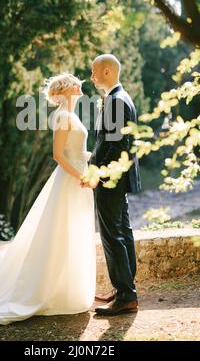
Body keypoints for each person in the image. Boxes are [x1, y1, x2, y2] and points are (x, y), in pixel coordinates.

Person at [0, 73, 96, 325]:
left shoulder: (72, 115)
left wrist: (87, 165)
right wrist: (81, 175)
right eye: (76, 83)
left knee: (72, 232)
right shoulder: (64, 116)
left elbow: (73, 149)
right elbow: (57, 155)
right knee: (60, 232)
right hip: (70, 180)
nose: (81, 85)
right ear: (67, 90)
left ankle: (67, 288)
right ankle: (44, 290)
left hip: (78, 178)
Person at [82, 54, 141, 316]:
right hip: (118, 177)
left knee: (112, 235)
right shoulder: (119, 98)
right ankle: (125, 288)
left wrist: (98, 172)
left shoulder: (116, 101)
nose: (92, 77)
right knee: (123, 231)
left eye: (94, 72)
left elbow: (116, 144)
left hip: (110, 178)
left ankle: (126, 295)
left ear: (107, 71)